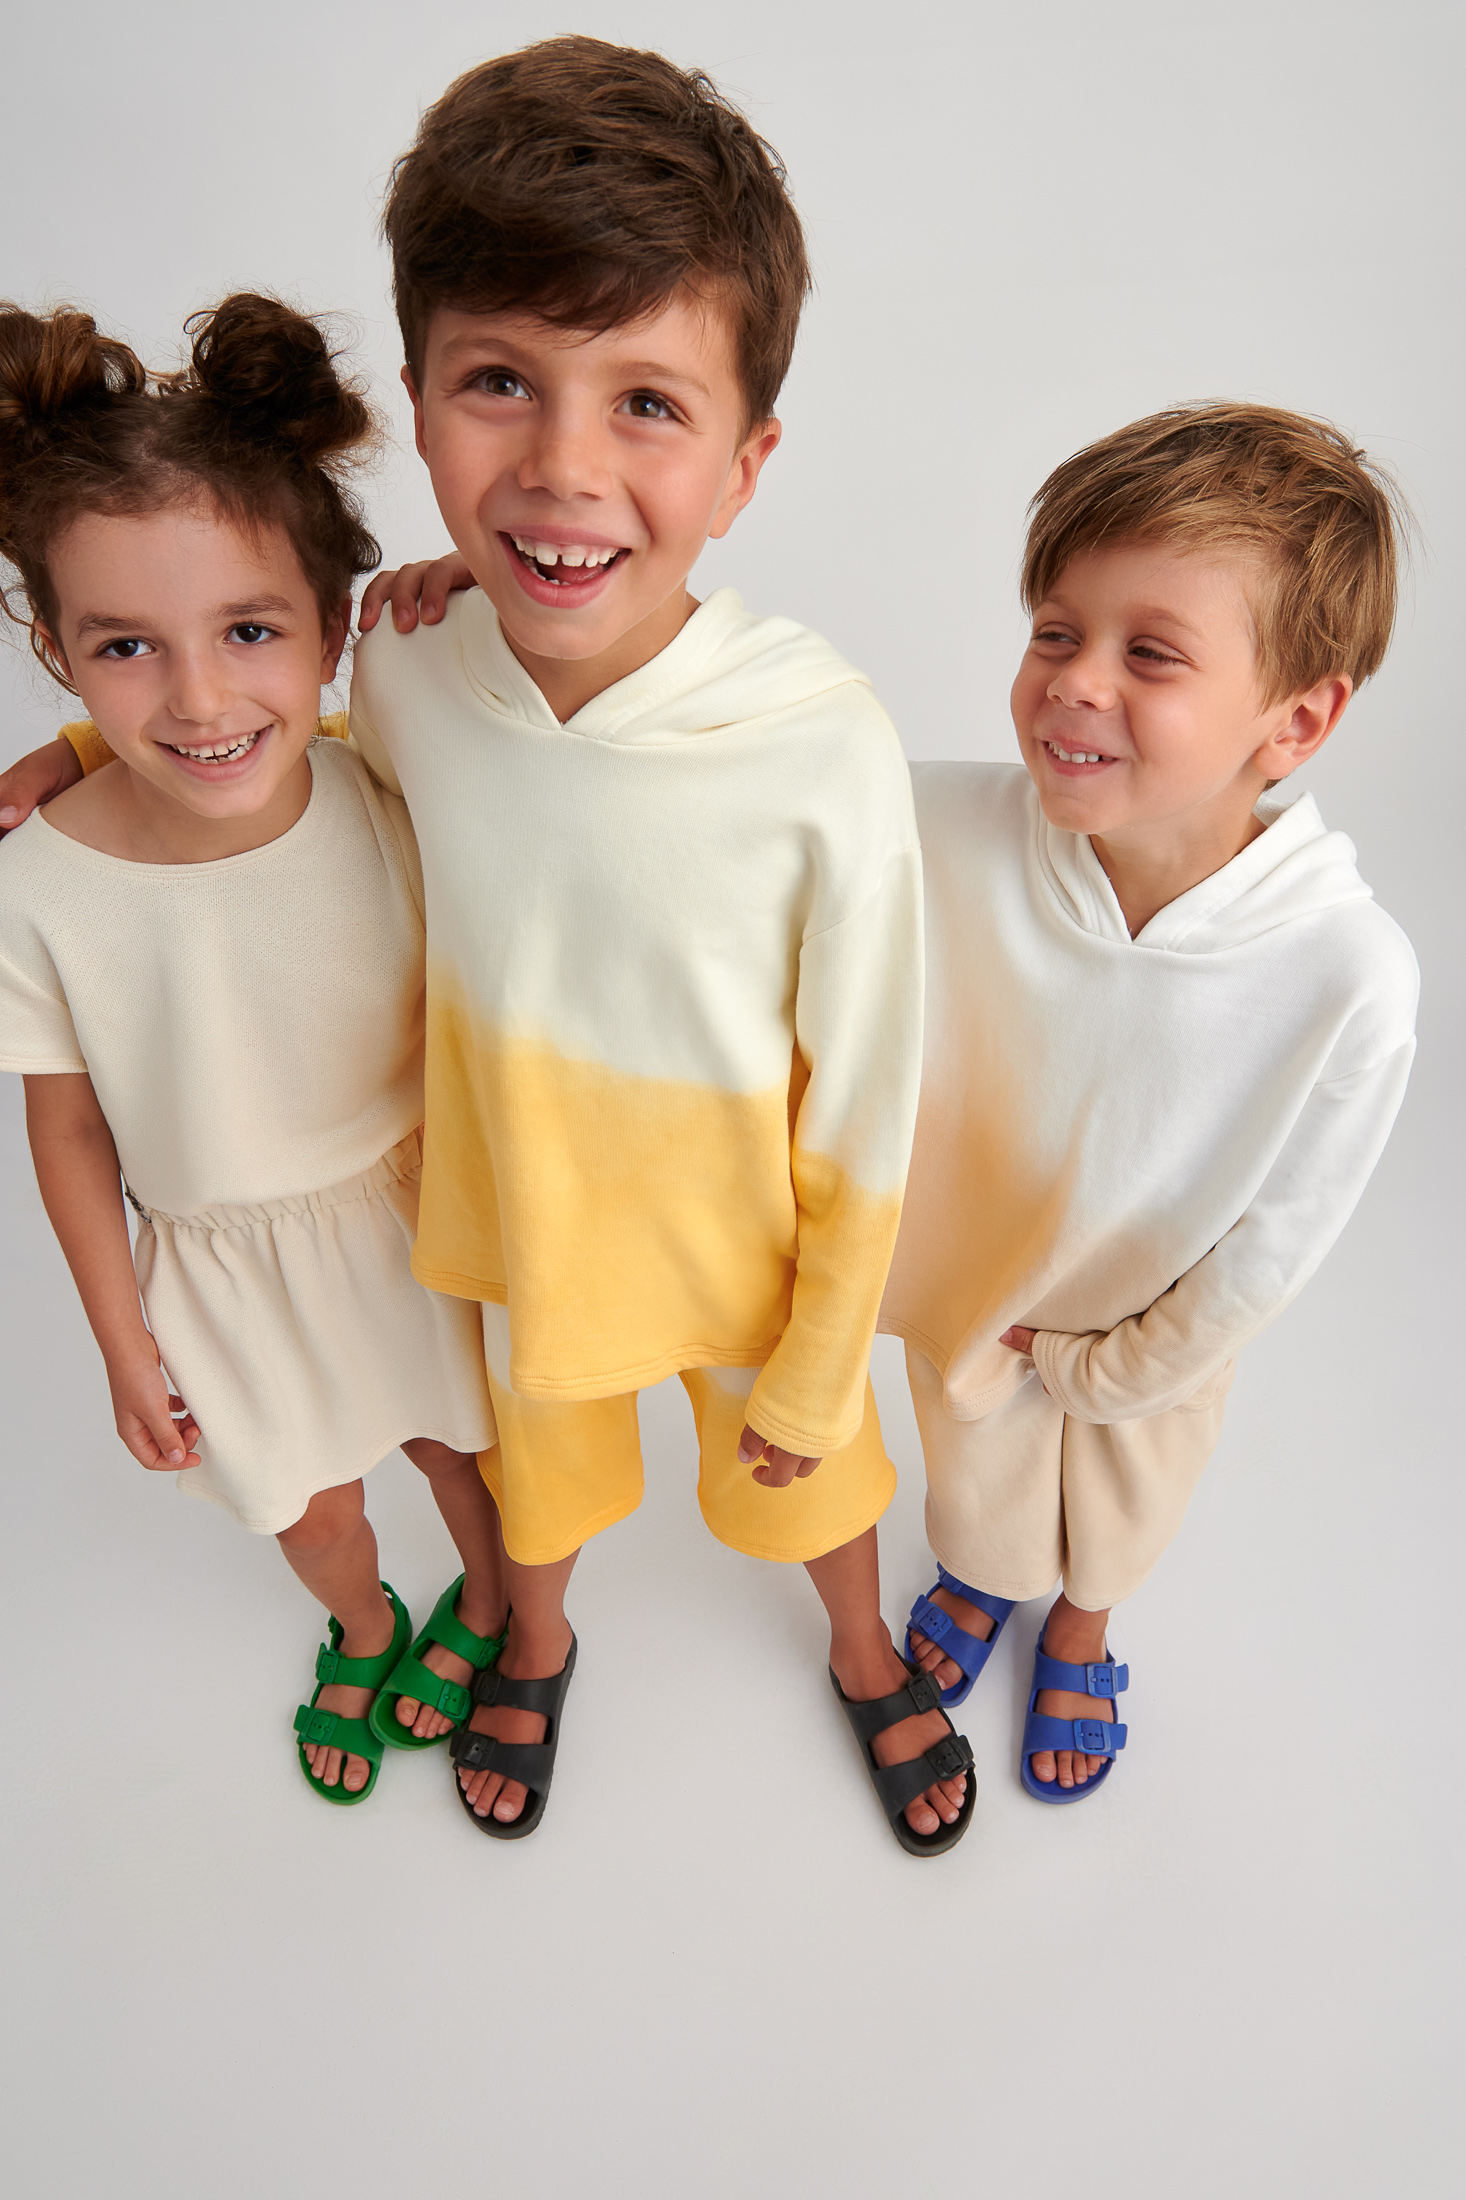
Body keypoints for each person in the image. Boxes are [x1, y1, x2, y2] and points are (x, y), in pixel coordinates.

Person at [1, 39, 974, 1853]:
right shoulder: (409, 670)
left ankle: (859, 1649)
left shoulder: (817, 744)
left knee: (817, 1487)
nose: (561, 466)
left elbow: (869, 1088)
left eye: (646, 403)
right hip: (516, 1230)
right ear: (421, 402)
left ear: (746, 464)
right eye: (500, 384)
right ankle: (532, 1639)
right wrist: (78, 748)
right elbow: (276, 755)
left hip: (746, 1252)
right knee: (538, 1489)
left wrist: (828, 1349)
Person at [0, 294, 507, 1806]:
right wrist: (121, 1339)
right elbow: (67, 1129)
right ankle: (367, 1624)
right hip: (217, 1268)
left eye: (250, 630)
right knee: (308, 1505)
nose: (202, 698)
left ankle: (491, 1605)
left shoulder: (387, 790)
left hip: (413, 1220)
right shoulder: (38, 886)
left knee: (463, 1455)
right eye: (127, 647)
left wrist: (466, 583)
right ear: (55, 647)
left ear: (335, 625)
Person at [880, 402, 1419, 1800]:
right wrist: (482, 603)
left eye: (1151, 654)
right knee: (977, 1485)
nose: (1073, 681)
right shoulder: (934, 824)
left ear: (1296, 721)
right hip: (979, 1288)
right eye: (1055, 632)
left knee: (1126, 1501)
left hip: (1158, 1335)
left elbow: (1272, 1248)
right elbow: (740, 773)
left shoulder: (1347, 977)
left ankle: (1082, 1625)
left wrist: (1112, 1369)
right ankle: (986, 1577)